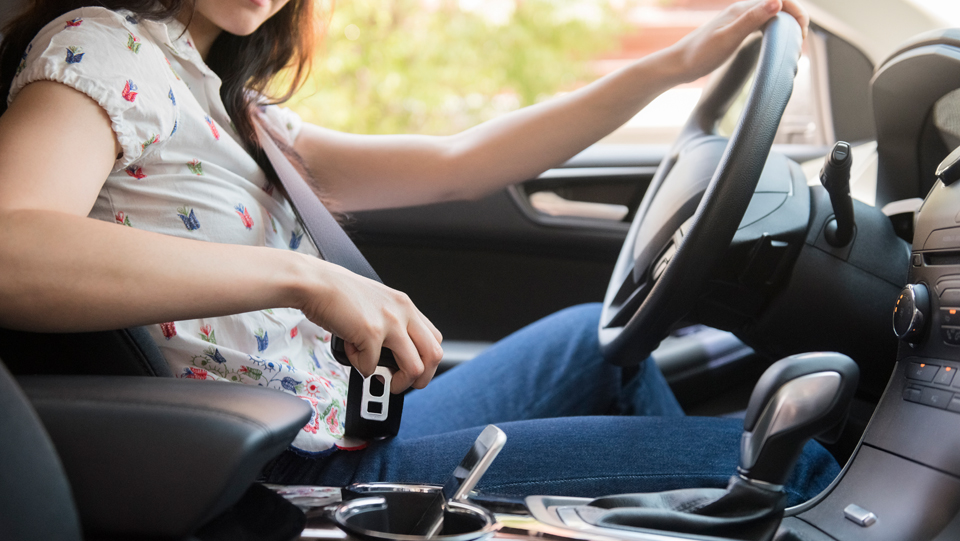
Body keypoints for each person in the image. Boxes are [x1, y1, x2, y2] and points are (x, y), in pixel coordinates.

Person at [0, 0, 837, 504]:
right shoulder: (101, 48)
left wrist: (676, 64)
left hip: (350, 427)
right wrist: (304, 276)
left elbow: (460, 164)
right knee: (783, 470)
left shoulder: (228, 103)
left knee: (597, 344)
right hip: (287, 472)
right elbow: (12, 247)